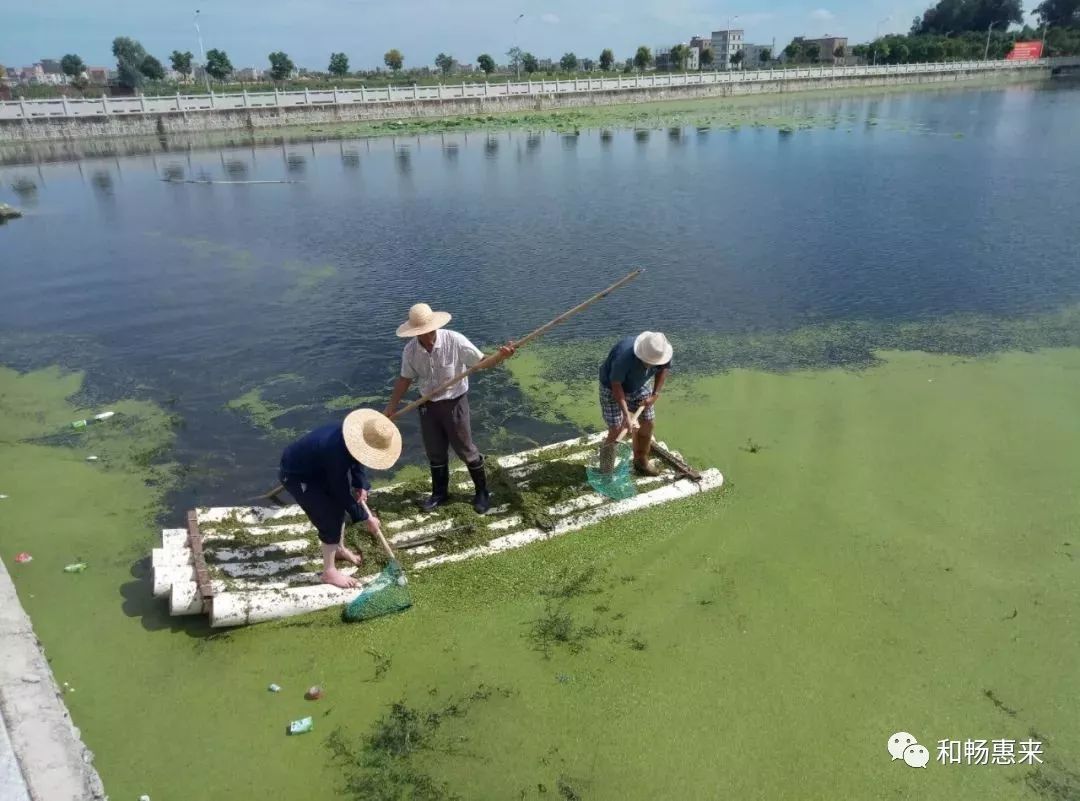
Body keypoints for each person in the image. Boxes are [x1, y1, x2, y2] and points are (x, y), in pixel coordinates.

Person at [384, 302, 515, 514]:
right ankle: (440, 493)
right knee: (435, 451)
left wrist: (500, 357)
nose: (426, 336)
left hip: (454, 402)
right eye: (421, 333)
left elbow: (481, 363)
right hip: (427, 405)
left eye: (428, 331)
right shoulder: (410, 351)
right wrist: (391, 407)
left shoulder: (454, 340)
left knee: (465, 449)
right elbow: (404, 379)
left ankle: (482, 492)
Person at [278, 409, 402, 589]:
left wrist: (361, 484)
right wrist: (365, 517)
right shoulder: (335, 450)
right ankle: (329, 572)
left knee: (338, 510)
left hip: (319, 467)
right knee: (328, 517)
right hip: (298, 475)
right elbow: (340, 490)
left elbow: (357, 460)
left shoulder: (356, 439)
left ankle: (339, 549)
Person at [599, 331, 673, 476]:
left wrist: (655, 394)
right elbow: (616, 385)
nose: (652, 365)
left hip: (640, 384)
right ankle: (606, 470)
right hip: (611, 387)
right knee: (617, 430)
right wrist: (626, 415)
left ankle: (641, 461)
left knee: (648, 423)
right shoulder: (623, 357)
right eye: (648, 362)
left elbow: (664, 369)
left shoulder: (663, 352)